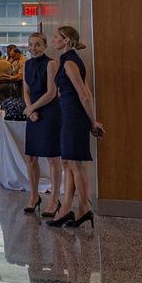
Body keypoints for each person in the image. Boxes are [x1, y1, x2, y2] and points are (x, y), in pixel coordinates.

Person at [46, 26, 104, 229]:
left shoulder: (70, 62)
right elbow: (87, 92)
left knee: (75, 164)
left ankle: (84, 208)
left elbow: (84, 95)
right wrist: (92, 120)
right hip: (70, 116)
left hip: (73, 117)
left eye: (56, 37)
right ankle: (67, 208)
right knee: (68, 162)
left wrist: (93, 121)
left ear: (66, 41)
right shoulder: (70, 60)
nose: (53, 40)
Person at [22, 32, 62, 216]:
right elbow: (26, 90)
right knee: (31, 157)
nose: (33, 48)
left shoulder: (51, 63)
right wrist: (30, 110)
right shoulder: (27, 64)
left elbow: (52, 92)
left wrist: (32, 108)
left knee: (53, 158)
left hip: (50, 113)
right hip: (33, 114)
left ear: (45, 46)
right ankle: (33, 196)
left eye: (37, 44)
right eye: (31, 44)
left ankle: (54, 200)